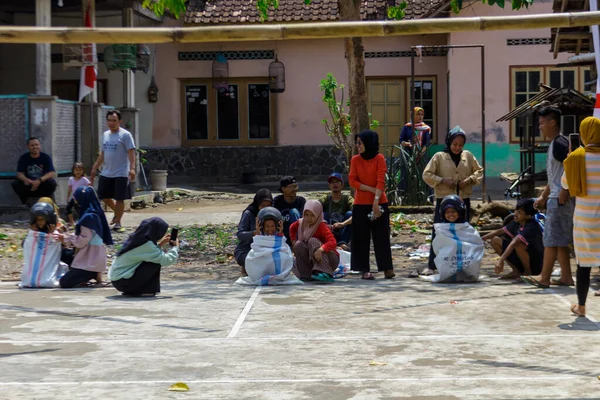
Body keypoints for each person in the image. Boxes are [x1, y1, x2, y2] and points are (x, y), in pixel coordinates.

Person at [422, 126, 483, 275]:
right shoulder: (439, 157)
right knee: (439, 233)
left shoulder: (467, 156)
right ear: (449, 142)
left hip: (463, 201)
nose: (457, 147)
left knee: (463, 234)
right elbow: (427, 174)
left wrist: (470, 180)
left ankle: (463, 266)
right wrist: (442, 180)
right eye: (455, 144)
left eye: (460, 145)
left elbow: (479, 171)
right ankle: (433, 265)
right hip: (444, 202)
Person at [528, 106, 575, 288]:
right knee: (560, 240)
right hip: (554, 196)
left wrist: (565, 189)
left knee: (550, 240)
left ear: (552, 122)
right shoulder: (554, 144)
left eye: (541, 123)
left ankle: (544, 277)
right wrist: (543, 196)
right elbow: (555, 176)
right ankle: (566, 277)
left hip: (560, 200)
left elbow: (572, 166)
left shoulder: (560, 144)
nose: (540, 127)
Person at [560, 116, 600, 317]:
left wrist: (571, 160)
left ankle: (581, 307)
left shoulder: (576, 157)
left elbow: (566, 186)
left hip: (585, 219)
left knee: (584, 263)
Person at [348, 130, 395, 280]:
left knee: (381, 236)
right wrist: (370, 189)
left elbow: (381, 180)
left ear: (369, 143)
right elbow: (352, 181)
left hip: (379, 202)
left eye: (360, 143)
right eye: (357, 143)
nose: (358, 146)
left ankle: (387, 267)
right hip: (360, 203)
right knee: (361, 237)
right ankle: (364, 270)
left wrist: (375, 200)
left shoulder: (379, 158)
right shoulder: (355, 160)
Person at [54, 187, 113, 288]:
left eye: (76, 198)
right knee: (63, 253)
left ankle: (91, 274)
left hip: (89, 260)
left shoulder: (88, 217)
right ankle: (88, 273)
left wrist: (67, 239)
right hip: (93, 256)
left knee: (64, 282)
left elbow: (82, 241)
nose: (75, 201)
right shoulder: (94, 213)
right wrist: (66, 238)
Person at [109, 217, 179, 297]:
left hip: (118, 280)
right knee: (154, 262)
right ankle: (144, 290)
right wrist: (175, 247)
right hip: (124, 283)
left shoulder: (137, 239)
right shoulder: (147, 245)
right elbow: (167, 260)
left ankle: (138, 290)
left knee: (154, 259)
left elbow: (146, 254)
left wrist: (161, 244)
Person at [91, 110, 136, 233]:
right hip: (106, 172)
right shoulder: (105, 135)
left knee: (120, 198)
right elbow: (103, 153)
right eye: (109, 120)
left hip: (121, 172)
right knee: (104, 196)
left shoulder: (125, 135)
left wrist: (132, 169)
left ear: (119, 121)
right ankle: (117, 212)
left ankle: (118, 222)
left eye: (114, 120)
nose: (111, 123)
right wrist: (95, 167)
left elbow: (131, 153)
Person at [236, 207, 301, 286]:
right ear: (262, 226)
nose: (270, 229)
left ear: (277, 225)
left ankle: (277, 275)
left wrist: (280, 233)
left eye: (272, 226)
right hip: (262, 258)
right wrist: (257, 232)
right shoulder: (259, 236)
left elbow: (283, 248)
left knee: (284, 256)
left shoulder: (280, 236)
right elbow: (257, 247)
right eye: (267, 226)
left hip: (278, 258)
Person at [482, 198, 544, 279]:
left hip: (536, 263)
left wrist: (500, 261)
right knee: (495, 240)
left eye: (519, 213)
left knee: (518, 245)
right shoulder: (517, 222)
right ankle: (516, 271)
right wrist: (482, 238)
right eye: (516, 211)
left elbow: (514, 242)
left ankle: (528, 272)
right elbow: (500, 231)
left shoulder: (531, 226)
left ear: (528, 216)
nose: (515, 214)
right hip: (522, 257)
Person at [290, 200, 339, 283]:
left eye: (312, 215)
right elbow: (292, 228)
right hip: (313, 259)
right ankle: (306, 275)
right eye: (306, 215)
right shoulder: (301, 223)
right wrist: (293, 241)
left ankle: (325, 273)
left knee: (313, 241)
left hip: (330, 259)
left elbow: (333, 242)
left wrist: (321, 250)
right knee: (299, 245)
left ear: (318, 214)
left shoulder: (321, 225)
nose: (309, 218)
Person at [234, 188, 274, 276]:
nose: (265, 209)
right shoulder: (249, 214)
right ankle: (245, 268)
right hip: (246, 249)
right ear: (257, 205)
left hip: (265, 249)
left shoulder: (273, 215)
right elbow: (240, 235)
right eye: (262, 206)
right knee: (253, 261)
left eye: (268, 205)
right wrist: (254, 233)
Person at [12, 137, 57, 205]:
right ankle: (27, 201)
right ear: (28, 147)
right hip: (29, 184)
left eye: (37, 145)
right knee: (15, 183)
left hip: (42, 183)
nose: (35, 147)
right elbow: (19, 173)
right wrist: (26, 180)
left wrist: (39, 180)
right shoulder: (24, 158)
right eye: (32, 145)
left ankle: (44, 199)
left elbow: (51, 173)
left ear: (39, 146)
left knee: (52, 183)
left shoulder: (46, 157)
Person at [319, 172, 353, 249]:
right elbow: (314, 209)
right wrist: (324, 224)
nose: (335, 184)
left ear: (342, 185)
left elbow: (357, 213)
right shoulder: (325, 199)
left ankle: (342, 243)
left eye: (337, 182)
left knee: (350, 214)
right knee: (322, 214)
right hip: (329, 230)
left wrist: (343, 224)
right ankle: (330, 242)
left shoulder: (347, 199)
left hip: (343, 230)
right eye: (332, 182)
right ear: (329, 186)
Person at [273, 176, 306, 244]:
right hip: (281, 237)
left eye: (295, 186)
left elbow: (304, 220)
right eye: (291, 187)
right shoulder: (277, 201)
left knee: (294, 212)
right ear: (283, 188)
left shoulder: (301, 201)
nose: (294, 189)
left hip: (296, 237)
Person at [66, 162, 91, 226]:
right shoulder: (71, 179)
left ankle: (83, 222)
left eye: (80, 170)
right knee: (68, 208)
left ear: (83, 171)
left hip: (81, 199)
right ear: (73, 171)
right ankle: (71, 221)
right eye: (76, 170)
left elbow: (89, 187)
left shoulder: (84, 179)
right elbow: (70, 189)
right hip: (74, 197)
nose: (78, 172)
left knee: (80, 211)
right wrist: (68, 197)